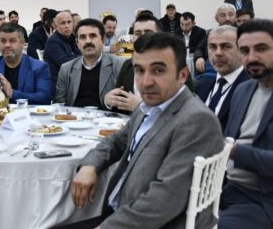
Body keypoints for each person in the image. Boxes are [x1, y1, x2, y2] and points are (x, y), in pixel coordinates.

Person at [71, 32, 224, 229]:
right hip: (121, 212)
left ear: (183, 75)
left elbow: (163, 201)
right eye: (139, 71)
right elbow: (115, 142)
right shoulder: (150, 107)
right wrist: (89, 165)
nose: (145, 82)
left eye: (158, 70)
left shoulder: (196, 120)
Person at [219, 19, 273, 229]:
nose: (251, 57)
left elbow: (230, 147)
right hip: (225, 187)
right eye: (244, 51)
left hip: (262, 198)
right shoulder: (243, 90)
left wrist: (233, 151)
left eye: (261, 49)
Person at [54, 19, 123, 107]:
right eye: (83, 37)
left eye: (92, 36)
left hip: (108, 115)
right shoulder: (66, 69)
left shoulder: (119, 66)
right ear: (77, 43)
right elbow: (59, 104)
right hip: (74, 115)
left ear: (103, 41)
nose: (88, 41)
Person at [194, 25, 249, 131]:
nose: (218, 53)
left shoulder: (254, 88)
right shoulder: (200, 86)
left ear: (241, 50)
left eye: (226, 46)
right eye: (212, 47)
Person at [0, 23, 51, 104]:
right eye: (3, 41)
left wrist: (13, 94)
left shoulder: (39, 67)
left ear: (22, 43)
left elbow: (45, 98)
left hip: (26, 111)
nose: (7, 45)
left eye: (12, 41)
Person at [194, 3, 237, 75]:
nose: (227, 18)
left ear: (235, 17)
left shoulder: (241, 33)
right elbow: (200, 49)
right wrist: (199, 58)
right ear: (216, 19)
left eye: (230, 15)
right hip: (210, 69)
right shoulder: (211, 33)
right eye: (223, 15)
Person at [44, 11, 79, 92]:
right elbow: (66, 63)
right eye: (63, 23)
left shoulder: (71, 37)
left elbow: (80, 55)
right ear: (56, 26)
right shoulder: (53, 42)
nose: (67, 26)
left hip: (72, 78)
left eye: (69, 22)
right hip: (59, 84)